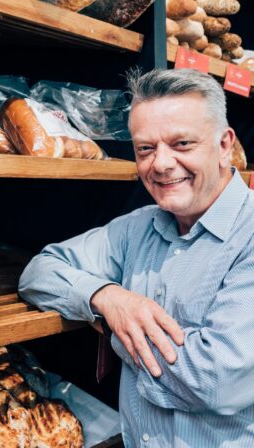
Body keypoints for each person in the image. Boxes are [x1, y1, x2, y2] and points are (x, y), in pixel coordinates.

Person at [19, 68, 254, 447]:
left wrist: (118, 331)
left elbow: (217, 381)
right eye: (145, 148)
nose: (160, 164)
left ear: (225, 144)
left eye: (181, 144)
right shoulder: (137, 227)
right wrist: (108, 298)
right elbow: (39, 272)